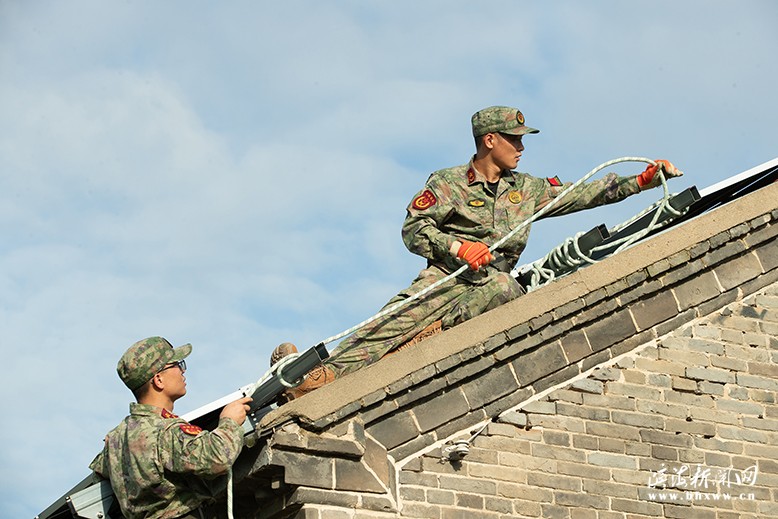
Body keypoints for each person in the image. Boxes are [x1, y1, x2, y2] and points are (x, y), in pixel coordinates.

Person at [273, 105, 682, 399]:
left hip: (491, 285)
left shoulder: (529, 189)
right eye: (514, 139)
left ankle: (428, 338)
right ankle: (314, 378)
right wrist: (457, 247)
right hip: (447, 275)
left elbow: (583, 193)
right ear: (491, 140)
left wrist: (641, 181)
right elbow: (413, 229)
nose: (522, 148)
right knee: (394, 320)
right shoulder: (449, 182)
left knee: (505, 288)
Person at [90, 336, 252, 519]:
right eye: (176, 365)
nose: (182, 371)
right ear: (158, 380)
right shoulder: (164, 430)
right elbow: (217, 458)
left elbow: (98, 481)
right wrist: (229, 421)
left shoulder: (115, 439)